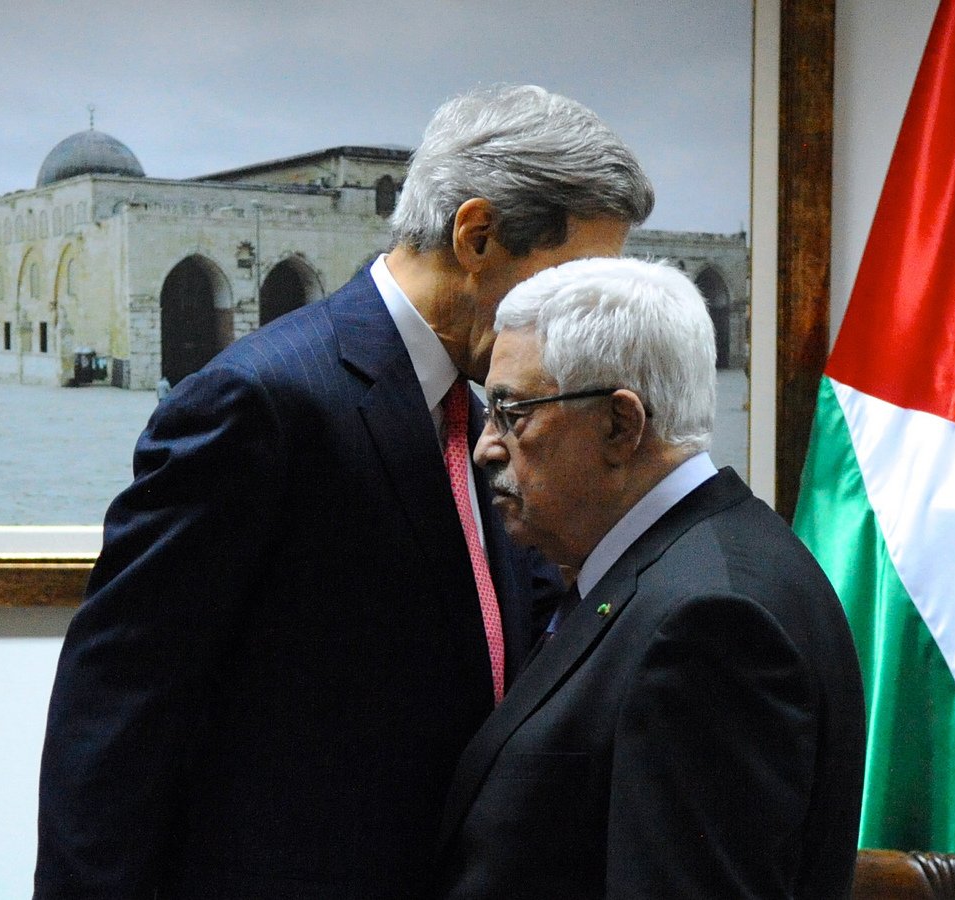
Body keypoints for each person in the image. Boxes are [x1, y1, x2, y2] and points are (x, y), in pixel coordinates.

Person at [34, 85, 655, 899]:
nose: (580, 319)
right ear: (477, 236)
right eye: (571, 282)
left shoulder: (484, 407)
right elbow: (116, 718)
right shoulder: (260, 403)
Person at [434, 257, 867, 899]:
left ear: (620, 424)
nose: (486, 446)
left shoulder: (710, 623)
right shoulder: (687, 566)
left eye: (513, 413)